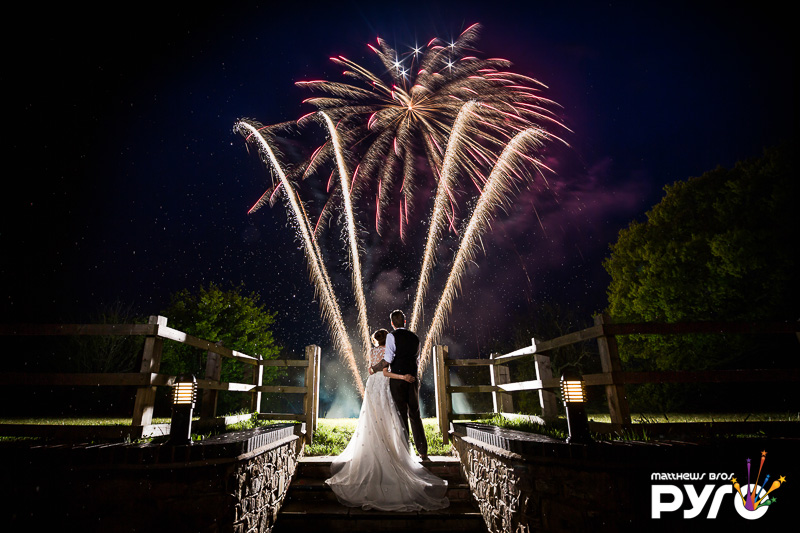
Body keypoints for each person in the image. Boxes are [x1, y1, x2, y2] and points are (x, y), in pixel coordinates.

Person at [325, 327, 449, 511]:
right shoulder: (407, 341)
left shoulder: (373, 351)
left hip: (373, 384)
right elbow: (387, 368)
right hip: (386, 382)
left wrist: (374, 368)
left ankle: (383, 445)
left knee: (374, 417)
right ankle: (403, 448)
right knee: (394, 416)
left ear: (376, 340)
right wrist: (402, 375)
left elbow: (376, 368)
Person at [370, 309, 428, 460]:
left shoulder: (391, 336)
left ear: (392, 323)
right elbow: (417, 358)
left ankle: (405, 452)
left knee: (401, 414)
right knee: (415, 413)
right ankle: (422, 450)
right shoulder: (415, 337)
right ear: (405, 321)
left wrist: (374, 368)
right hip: (413, 379)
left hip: (398, 380)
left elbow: (388, 359)